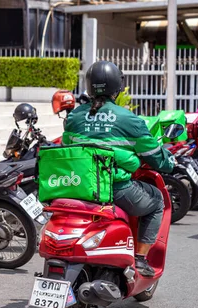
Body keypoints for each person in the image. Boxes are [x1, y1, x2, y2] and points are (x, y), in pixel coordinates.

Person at [63, 60, 175, 277]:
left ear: (89, 86)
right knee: (157, 202)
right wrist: (169, 163)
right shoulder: (129, 119)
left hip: (76, 186)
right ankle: (140, 258)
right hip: (114, 188)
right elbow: (154, 156)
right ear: (117, 87)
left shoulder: (74, 117)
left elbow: (67, 147)